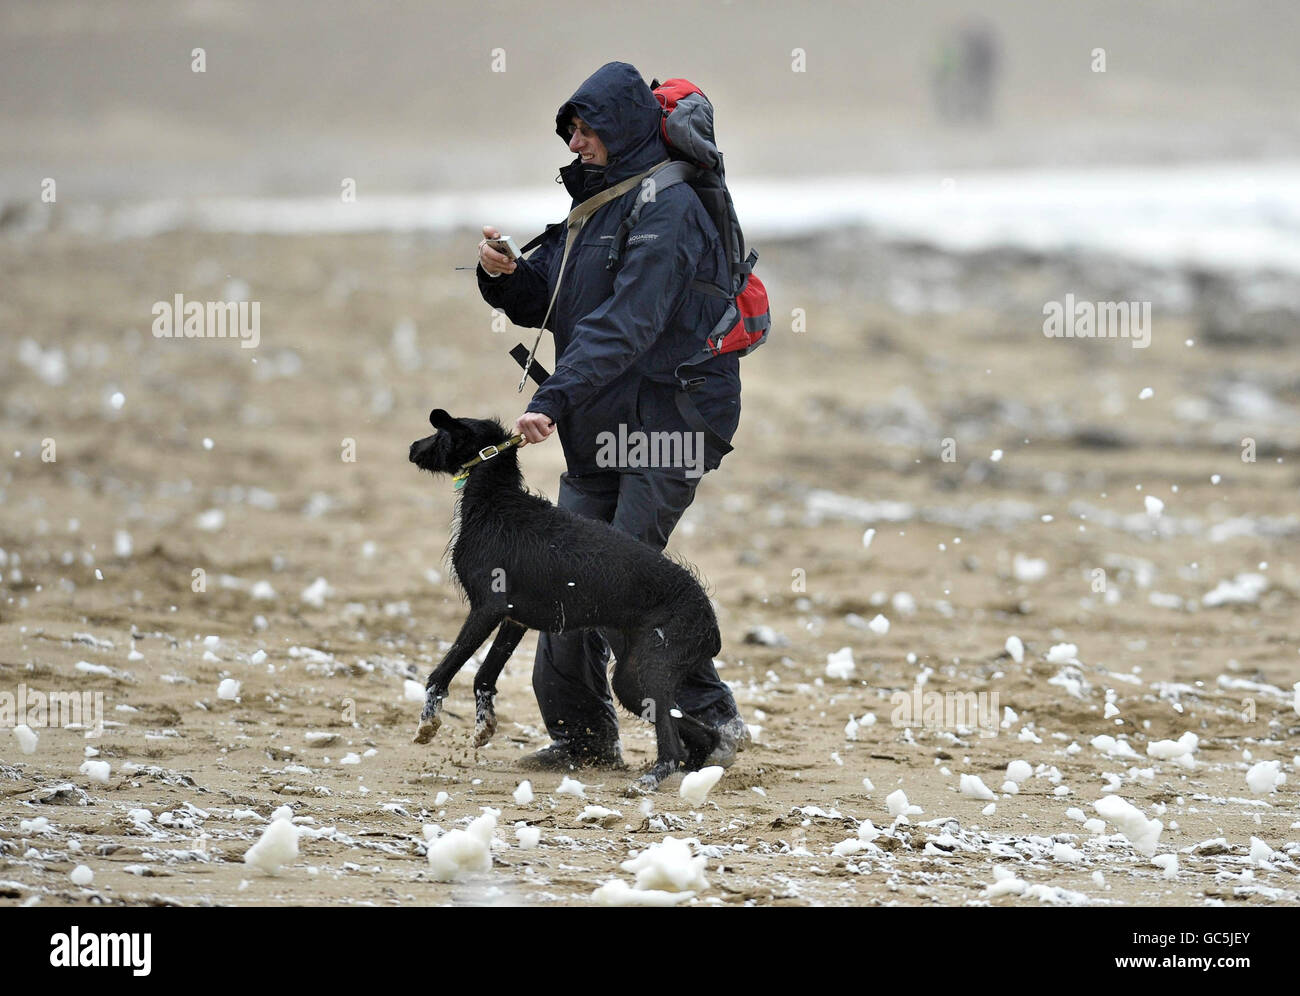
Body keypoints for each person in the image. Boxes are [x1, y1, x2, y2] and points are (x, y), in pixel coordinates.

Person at [476, 61, 749, 772]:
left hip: (672, 421)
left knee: (618, 582)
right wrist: (508, 280)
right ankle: (582, 738)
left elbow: (627, 325)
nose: (574, 143)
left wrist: (552, 397)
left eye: (586, 129)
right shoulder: (598, 204)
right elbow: (562, 304)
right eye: (568, 131)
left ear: (623, 128)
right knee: (565, 577)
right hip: (602, 422)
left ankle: (708, 725)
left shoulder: (673, 209)